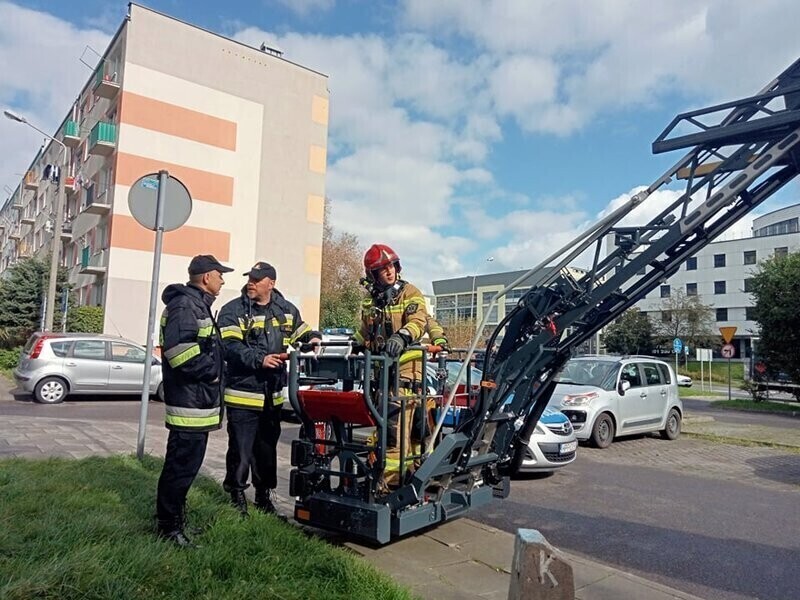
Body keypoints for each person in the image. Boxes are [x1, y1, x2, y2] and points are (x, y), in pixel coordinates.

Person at [218, 261, 321, 516]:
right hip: (243, 395)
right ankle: (237, 494)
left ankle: (263, 497)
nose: (251, 282)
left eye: (257, 279)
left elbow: (302, 331)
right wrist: (259, 359)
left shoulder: (285, 309)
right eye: (250, 278)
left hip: (271, 397)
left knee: (266, 451)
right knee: (241, 451)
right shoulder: (233, 310)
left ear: (271, 283)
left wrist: (314, 338)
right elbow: (229, 346)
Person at [156, 254, 233, 547]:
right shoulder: (185, 305)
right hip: (189, 406)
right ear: (205, 277)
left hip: (197, 405)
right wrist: (213, 373)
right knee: (180, 468)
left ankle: (175, 522)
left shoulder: (195, 304)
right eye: (219, 275)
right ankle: (169, 529)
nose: (223, 280)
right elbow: (179, 353)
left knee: (185, 468)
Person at [354, 243, 430, 489]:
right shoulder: (370, 302)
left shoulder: (410, 292)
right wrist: (354, 347)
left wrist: (402, 336)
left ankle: (390, 487)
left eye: (391, 266)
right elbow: (364, 331)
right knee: (388, 433)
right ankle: (399, 480)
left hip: (407, 376)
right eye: (382, 269)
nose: (389, 272)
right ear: (372, 275)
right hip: (383, 376)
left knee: (395, 436)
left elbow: (419, 320)